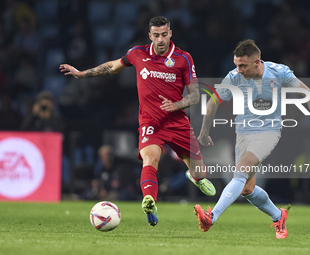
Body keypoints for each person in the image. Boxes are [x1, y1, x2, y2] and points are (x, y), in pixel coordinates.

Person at [60, 16, 216, 226]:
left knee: (200, 172)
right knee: (150, 159)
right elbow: (112, 66)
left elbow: (195, 96)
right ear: (150, 35)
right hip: (151, 122)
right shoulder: (137, 53)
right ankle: (149, 199)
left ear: (170, 33)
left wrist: (176, 105)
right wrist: (81, 73)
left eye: (164, 34)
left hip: (178, 122)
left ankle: (195, 177)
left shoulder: (183, 58)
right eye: (156, 35)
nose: (161, 39)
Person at [194, 39, 310, 239]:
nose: (239, 70)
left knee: (242, 169)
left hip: (269, 131)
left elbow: (307, 92)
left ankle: (212, 217)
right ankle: (278, 215)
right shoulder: (234, 77)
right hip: (243, 133)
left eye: (243, 65)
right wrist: (204, 131)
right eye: (236, 65)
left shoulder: (279, 72)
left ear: (257, 62)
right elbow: (212, 103)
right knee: (247, 189)